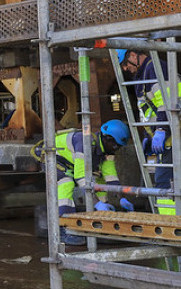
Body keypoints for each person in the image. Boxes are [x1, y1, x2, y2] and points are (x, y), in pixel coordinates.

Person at [118, 48, 179, 215]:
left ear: (133, 55)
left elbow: (166, 101)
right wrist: (148, 137)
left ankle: (170, 229)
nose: (125, 69)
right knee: (166, 182)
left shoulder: (155, 69)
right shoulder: (142, 75)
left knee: (164, 184)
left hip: (173, 136)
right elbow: (147, 112)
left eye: (124, 63)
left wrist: (161, 129)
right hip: (167, 138)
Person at [53, 119, 131, 245]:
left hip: (70, 161)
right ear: (107, 139)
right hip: (53, 157)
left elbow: (110, 177)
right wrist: (97, 204)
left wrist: (121, 198)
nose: (117, 149)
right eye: (116, 145)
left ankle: (101, 218)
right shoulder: (85, 144)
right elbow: (81, 178)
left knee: (99, 180)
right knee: (66, 183)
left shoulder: (107, 151)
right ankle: (64, 228)